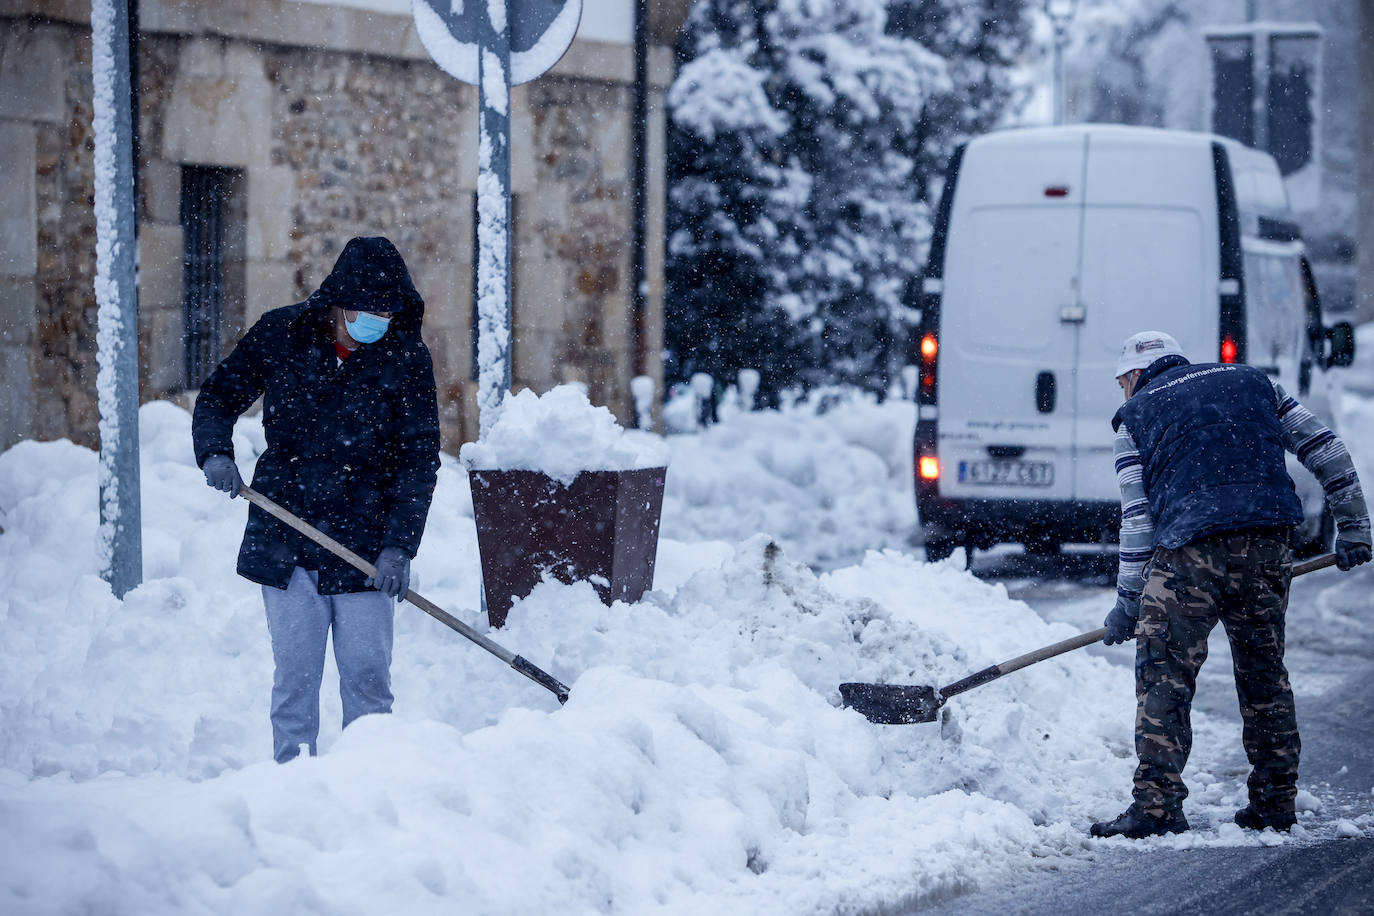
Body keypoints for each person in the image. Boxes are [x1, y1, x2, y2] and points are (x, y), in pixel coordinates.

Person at [1091, 330, 1372, 839]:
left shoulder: (1135, 415)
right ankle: (1275, 801)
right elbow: (1325, 448)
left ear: (1134, 376)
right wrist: (1353, 525)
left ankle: (1157, 807)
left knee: (1165, 676)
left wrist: (1129, 602)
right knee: (1264, 675)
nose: (1123, 394)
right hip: (1267, 544)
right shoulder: (1255, 383)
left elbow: (1138, 520)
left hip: (1188, 552)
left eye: (1121, 384)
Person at [192, 236, 440, 763]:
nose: (378, 319)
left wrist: (399, 546)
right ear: (338, 301)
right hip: (287, 533)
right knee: (296, 682)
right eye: (368, 310)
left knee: (369, 683)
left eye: (387, 311)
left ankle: (368, 787)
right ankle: (291, 786)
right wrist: (215, 452)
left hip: (366, 545)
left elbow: (419, 460)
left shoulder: (406, 356)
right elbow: (218, 396)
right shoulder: (283, 334)